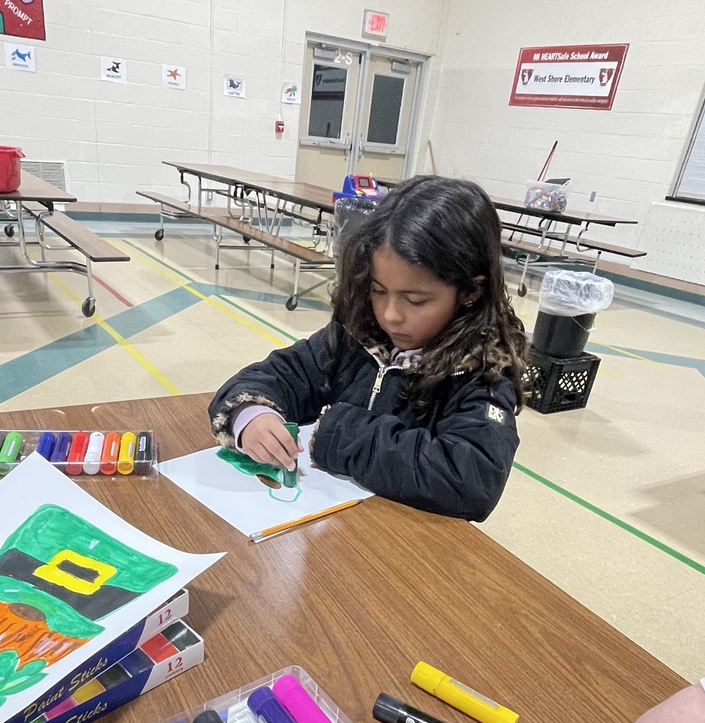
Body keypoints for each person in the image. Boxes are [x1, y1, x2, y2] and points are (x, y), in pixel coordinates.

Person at [208, 175, 527, 520]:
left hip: (404, 549)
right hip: (334, 533)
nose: (390, 315)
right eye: (378, 290)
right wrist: (252, 416)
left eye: (415, 300)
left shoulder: (482, 374)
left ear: (469, 293)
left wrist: (338, 431)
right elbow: (276, 375)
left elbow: (472, 482)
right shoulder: (355, 336)